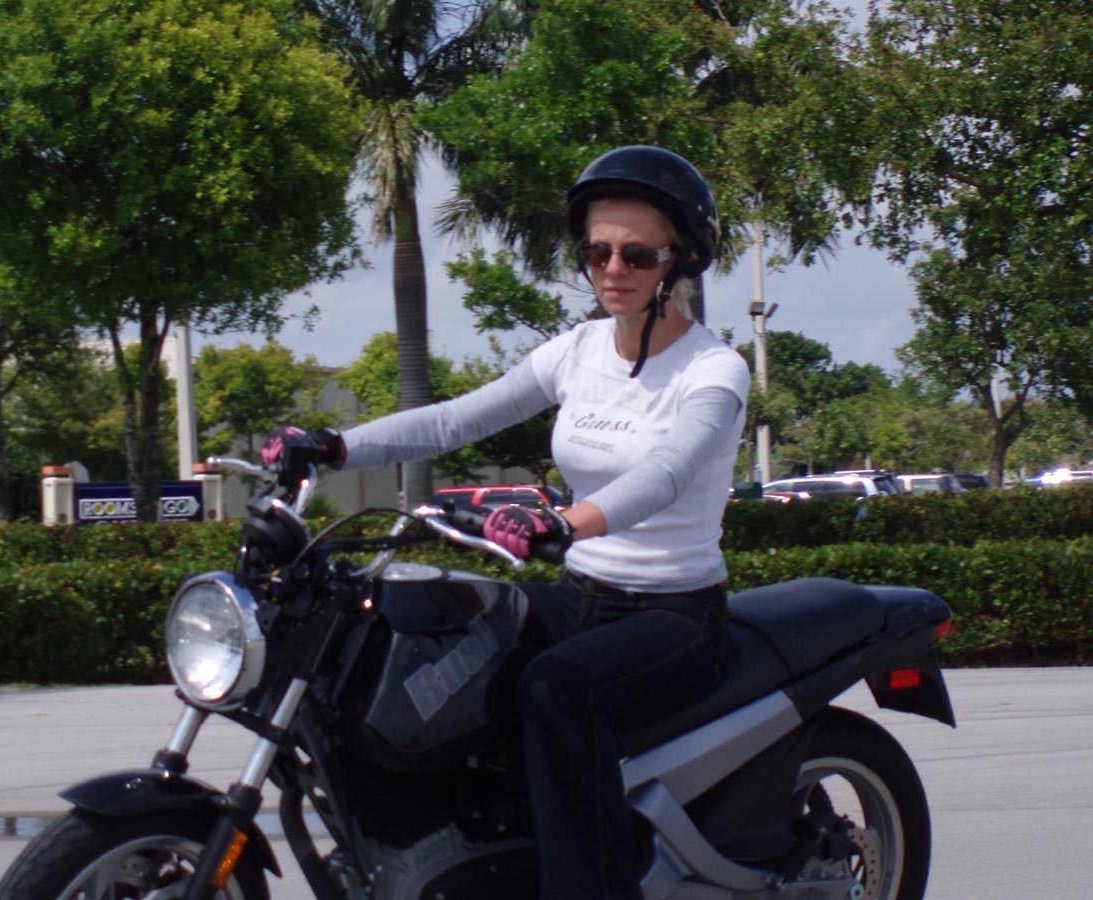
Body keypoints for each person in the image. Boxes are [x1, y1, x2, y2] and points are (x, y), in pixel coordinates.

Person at [262, 145, 750, 900]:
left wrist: (565, 523)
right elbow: (452, 421)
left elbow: (667, 474)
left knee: (557, 689)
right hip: (579, 596)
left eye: (637, 254)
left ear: (680, 260)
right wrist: (333, 447)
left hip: (675, 615)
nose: (613, 269)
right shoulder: (578, 351)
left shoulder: (713, 370)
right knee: (418, 639)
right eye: (597, 251)